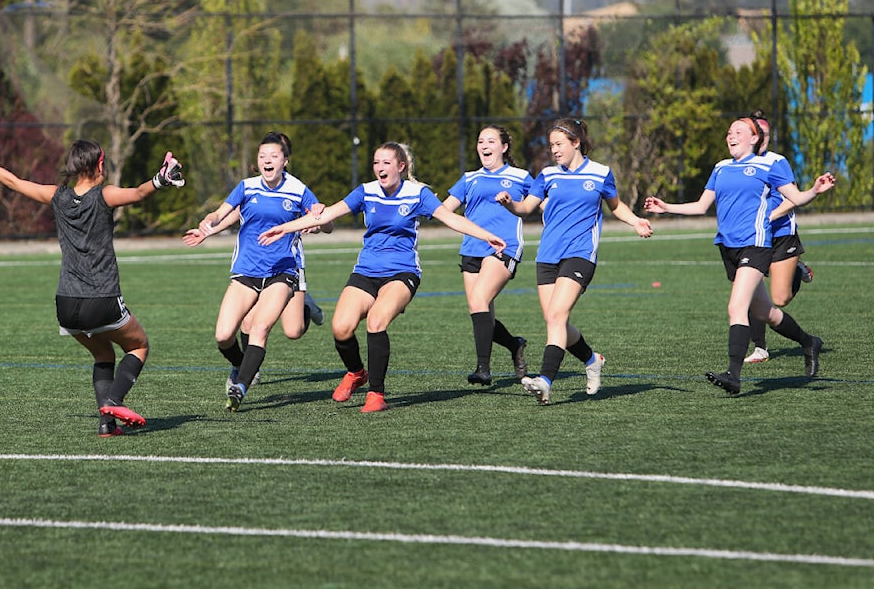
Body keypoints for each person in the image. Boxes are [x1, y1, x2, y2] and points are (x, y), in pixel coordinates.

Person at [0, 132, 186, 436]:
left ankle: (106, 424)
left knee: (103, 354)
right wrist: (162, 178)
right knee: (139, 345)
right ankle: (114, 399)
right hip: (101, 298)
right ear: (98, 165)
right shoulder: (104, 195)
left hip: (66, 304)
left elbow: (15, 183)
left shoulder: (57, 196)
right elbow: (139, 193)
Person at [259, 142, 506, 413]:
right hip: (366, 271)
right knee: (341, 327)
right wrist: (283, 228)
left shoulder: (417, 194)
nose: (380, 168)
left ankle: (376, 393)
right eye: (376, 162)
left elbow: (450, 219)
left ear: (401, 166)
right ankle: (356, 373)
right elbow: (327, 214)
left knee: (376, 321)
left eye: (386, 163)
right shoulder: (366, 191)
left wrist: (485, 235)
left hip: (402, 272)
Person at [643, 117, 834, 394]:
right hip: (728, 248)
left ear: (754, 139)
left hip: (755, 246)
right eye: (729, 132)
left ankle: (733, 375)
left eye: (738, 132)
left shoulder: (770, 165)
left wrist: (815, 190)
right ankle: (808, 341)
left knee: (736, 307)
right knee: (764, 311)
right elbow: (701, 206)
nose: (731, 136)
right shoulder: (720, 168)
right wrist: (666, 207)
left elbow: (796, 197)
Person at [496, 118, 653, 405]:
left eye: (559, 144)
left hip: (580, 254)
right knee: (555, 320)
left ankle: (545, 380)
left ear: (576, 142)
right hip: (547, 256)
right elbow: (526, 208)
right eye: (551, 145)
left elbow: (616, 206)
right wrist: (509, 204)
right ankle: (592, 360)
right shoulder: (547, 176)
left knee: (556, 316)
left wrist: (636, 222)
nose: (554, 150)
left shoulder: (600, 173)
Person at [189, 132, 328, 412]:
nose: (267, 161)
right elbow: (226, 213)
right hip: (247, 271)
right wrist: (209, 224)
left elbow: (324, 221)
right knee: (223, 335)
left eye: (273, 156)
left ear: (285, 161)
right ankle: (242, 366)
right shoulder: (247, 187)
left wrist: (319, 222)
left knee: (286, 330)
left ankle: (241, 384)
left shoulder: (298, 189)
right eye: (262, 156)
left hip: (283, 271)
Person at [441, 125, 531, 387]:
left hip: (504, 247)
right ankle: (514, 345)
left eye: (490, 141)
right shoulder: (469, 178)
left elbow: (542, 203)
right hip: (471, 249)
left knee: (479, 300)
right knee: (480, 311)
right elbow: (446, 210)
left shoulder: (521, 176)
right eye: (481, 141)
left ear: (504, 147)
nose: (484, 146)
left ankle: (483, 369)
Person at [743, 110, 814, 364]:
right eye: (760, 134)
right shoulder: (740, 163)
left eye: (767, 135)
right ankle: (760, 348)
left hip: (782, 234)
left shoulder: (777, 161)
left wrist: (768, 216)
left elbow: (791, 199)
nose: (764, 139)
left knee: (780, 299)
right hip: (755, 236)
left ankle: (796, 270)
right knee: (751, 288)